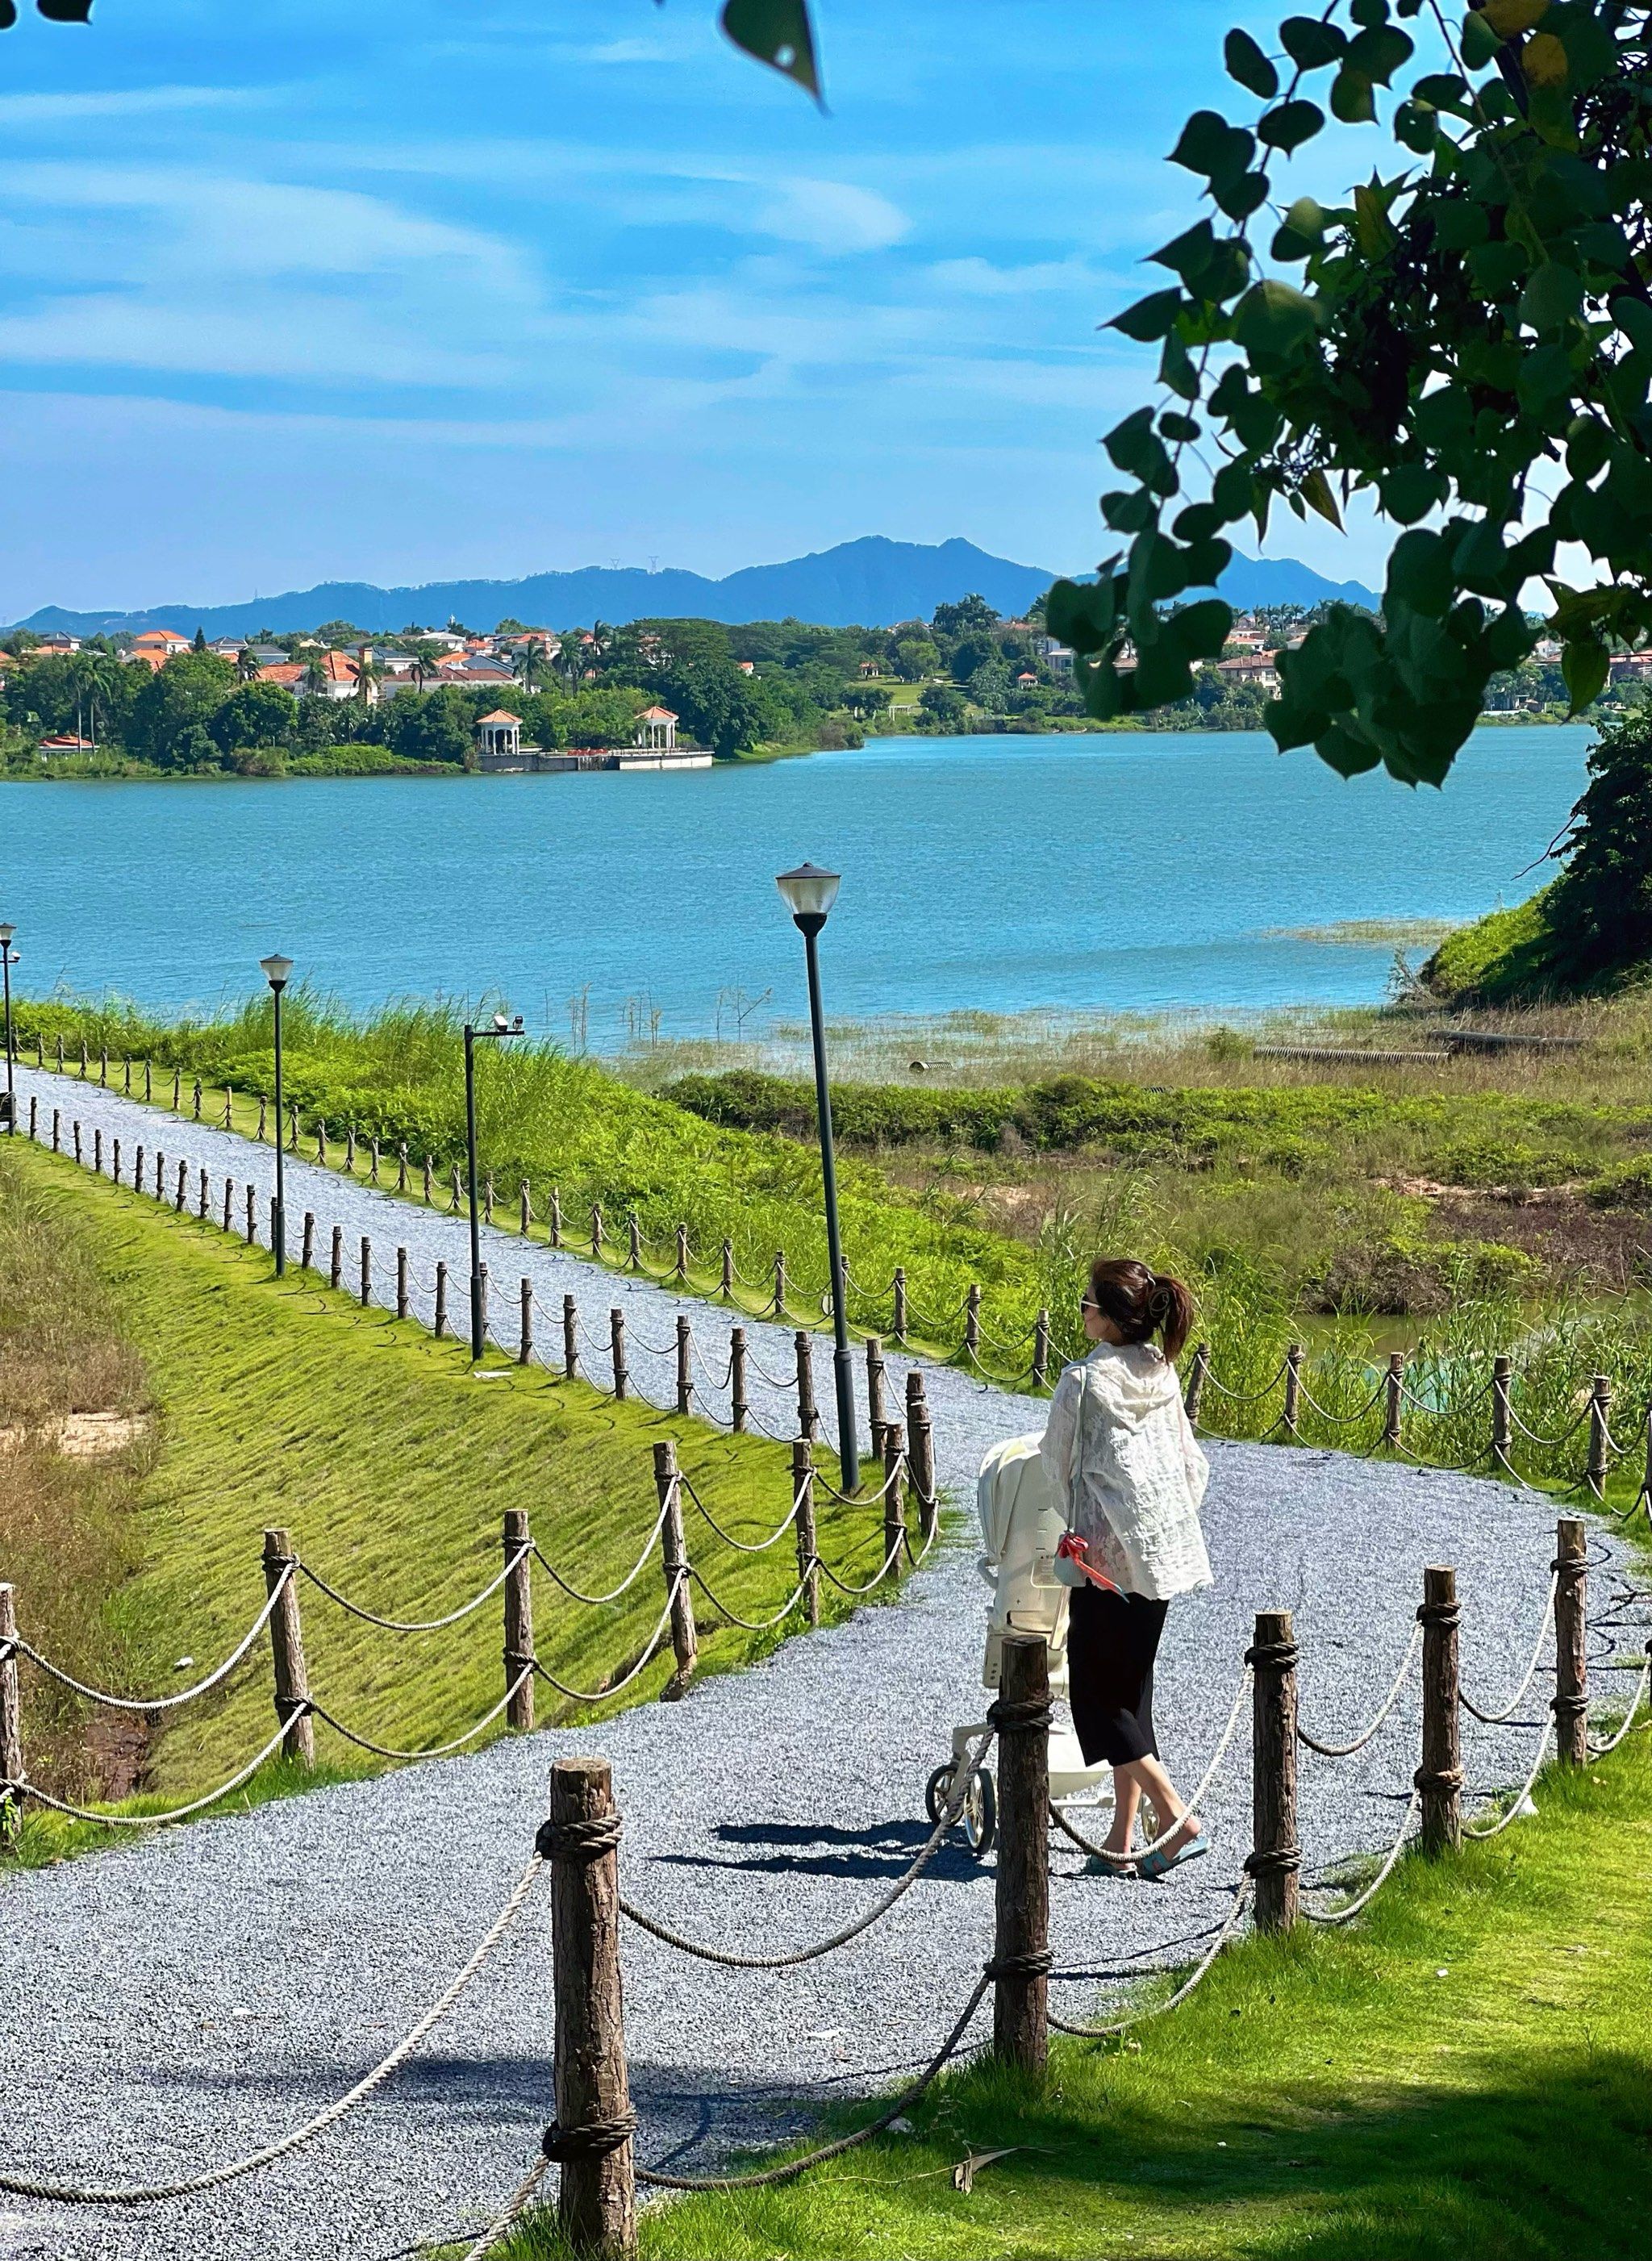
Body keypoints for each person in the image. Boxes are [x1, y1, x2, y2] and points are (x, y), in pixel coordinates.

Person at [1039, 1256, 1212, 1879]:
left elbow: (1053, 1466)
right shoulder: (1162, 1373)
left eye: (1087, 1303)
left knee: (1095, 1697)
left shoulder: (1081, 1383)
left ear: (1110, 1318)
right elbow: (1194, 1468)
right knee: (1132, 1697)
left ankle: (1174, 1816)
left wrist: (1083, 1527)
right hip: (1163, 1557)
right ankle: (1121, 1841)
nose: (1080, 1310)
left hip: (1105, 1565)